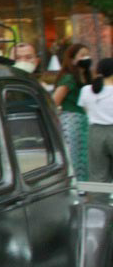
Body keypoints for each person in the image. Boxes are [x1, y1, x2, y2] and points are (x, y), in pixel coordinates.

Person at [54, 41, 92, 177]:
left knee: (84, 158)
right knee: (75, 157)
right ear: (72, 59)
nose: (86, 58)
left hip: (84, 122)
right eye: (82, 55)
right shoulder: (69, 78)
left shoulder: (85, 77)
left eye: (88, 55)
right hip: (72, 121)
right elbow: (55, 101)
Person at [81, 58, 113, 183]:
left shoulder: (86, 90)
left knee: (97, 173)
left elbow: (86, 110)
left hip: (95, 132)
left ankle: (98, 202)